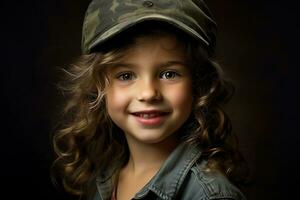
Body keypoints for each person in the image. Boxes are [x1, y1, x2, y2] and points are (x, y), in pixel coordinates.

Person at [52, 0, 249, 199]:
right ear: (99, 88)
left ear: (198, 83)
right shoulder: (103, 179)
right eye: (126, 76)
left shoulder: (210, 195)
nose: (148, 93)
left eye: (169, 74)